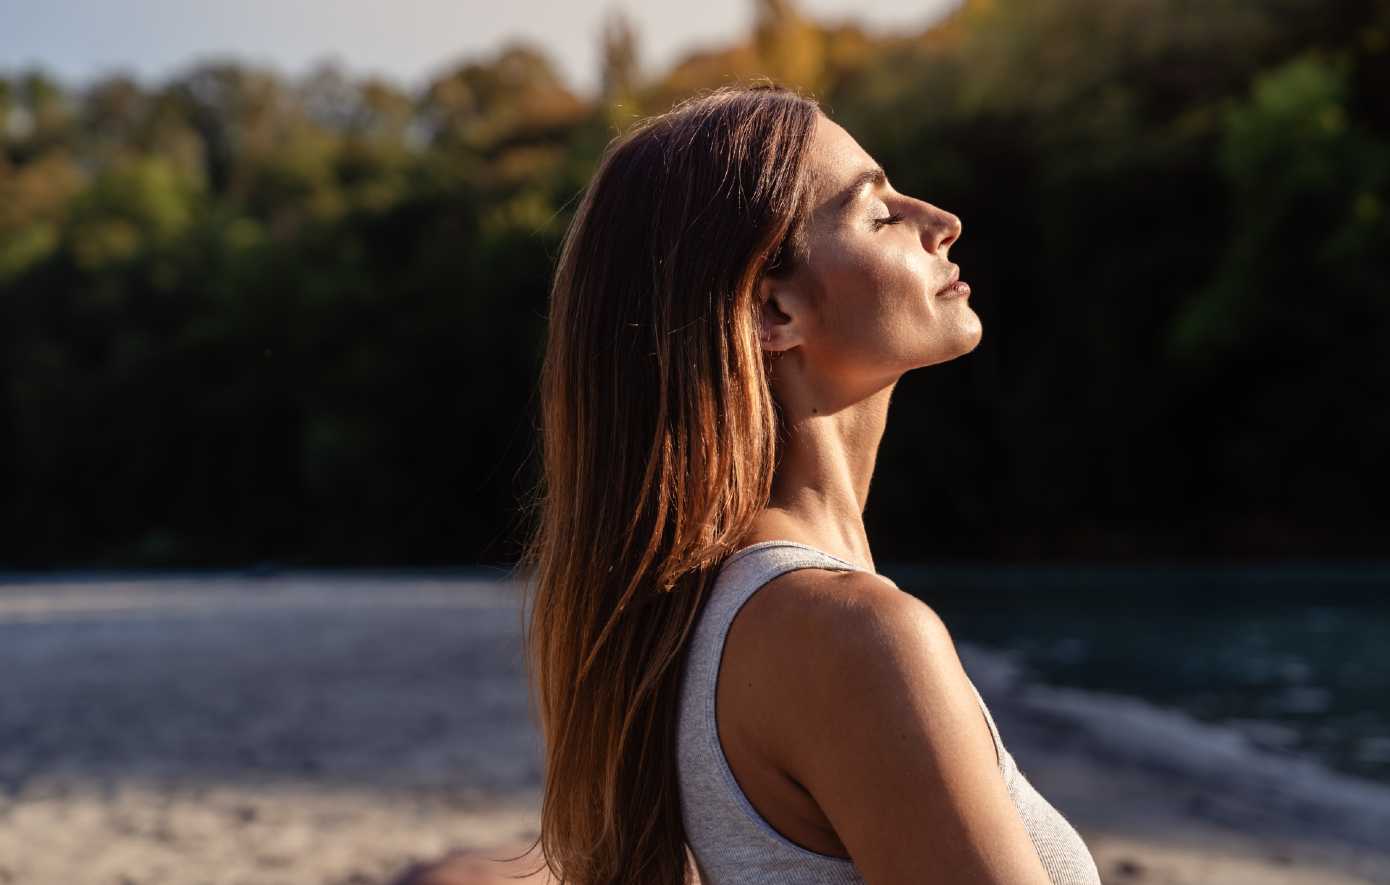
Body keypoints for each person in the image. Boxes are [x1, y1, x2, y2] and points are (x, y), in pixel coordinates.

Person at [527, 85, 1101, 885]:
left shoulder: (695, 626)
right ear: (772, 311)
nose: (941, 220)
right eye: (879, 213)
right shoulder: (856, 639)